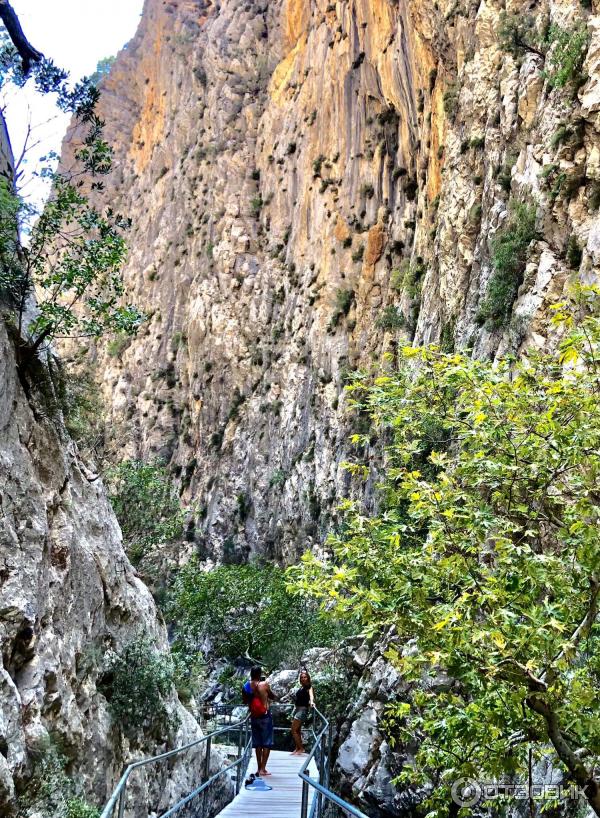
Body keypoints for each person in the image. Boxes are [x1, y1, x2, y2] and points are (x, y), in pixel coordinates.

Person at [242, 666, 278, 776]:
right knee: (266, 743)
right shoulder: (264, 685)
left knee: (257, 743)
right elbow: (273, 696)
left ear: (251, 674)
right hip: (265, 717)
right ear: (259, 674)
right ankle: (263, 769)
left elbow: (244, 701)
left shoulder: (246, 686)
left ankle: (258, 768)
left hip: (254, 717)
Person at [290, 669, 314, 755]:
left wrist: (311, 702)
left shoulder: (309, 687)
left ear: (308, 678)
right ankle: (297, 748)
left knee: (293, 730)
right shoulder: (301, 687)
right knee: (298, 730)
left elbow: (311, 696)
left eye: (305, 677)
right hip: (297, 710)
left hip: (302, 711)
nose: (303, 678)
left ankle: (301, 748)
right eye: (302, 677)